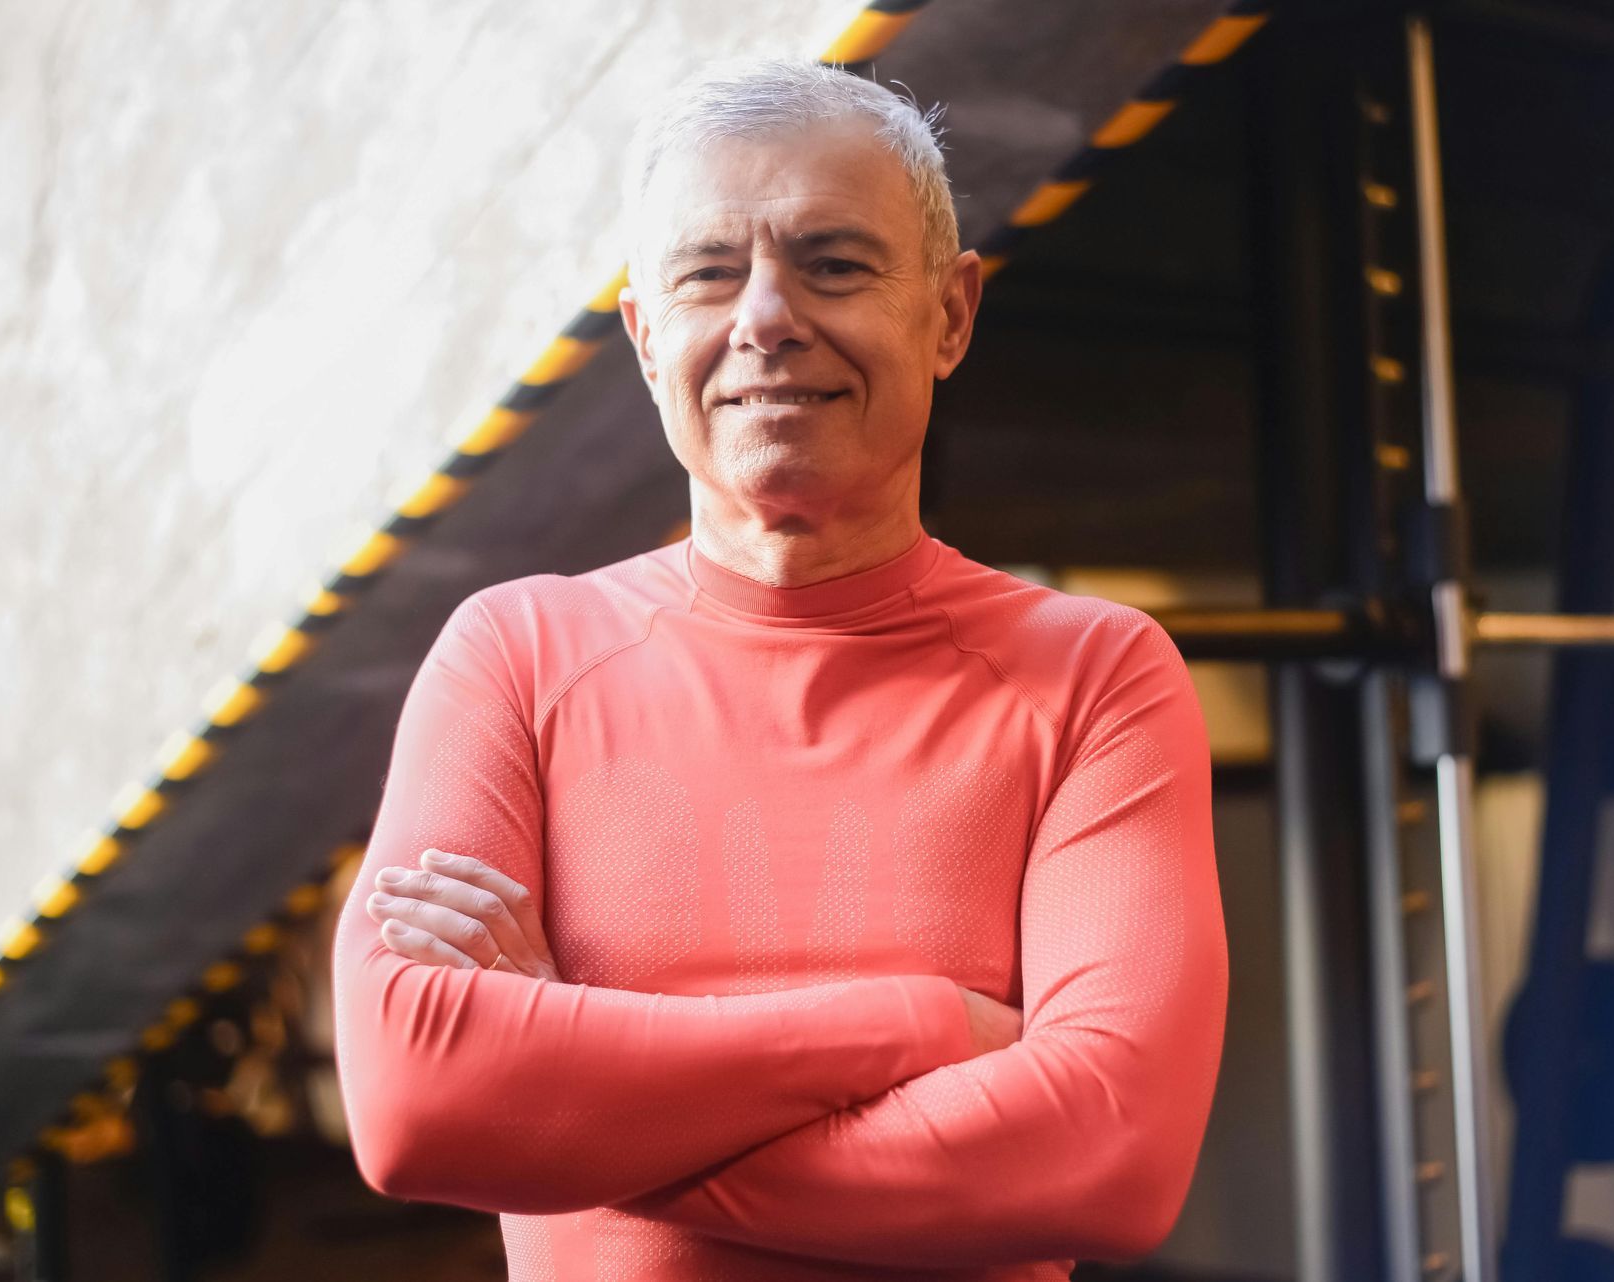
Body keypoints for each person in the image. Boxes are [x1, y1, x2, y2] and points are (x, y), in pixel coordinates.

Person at [331, 57, 1229, 1281]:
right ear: (648, 337)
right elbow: (415, 1103)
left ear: (950, 315)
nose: (764, 317)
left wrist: (574, 1110)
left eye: (834, 263)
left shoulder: (1094, 677)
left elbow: (1109, 1155)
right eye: (709, 272)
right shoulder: (515, 656)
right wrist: (911, 1027)